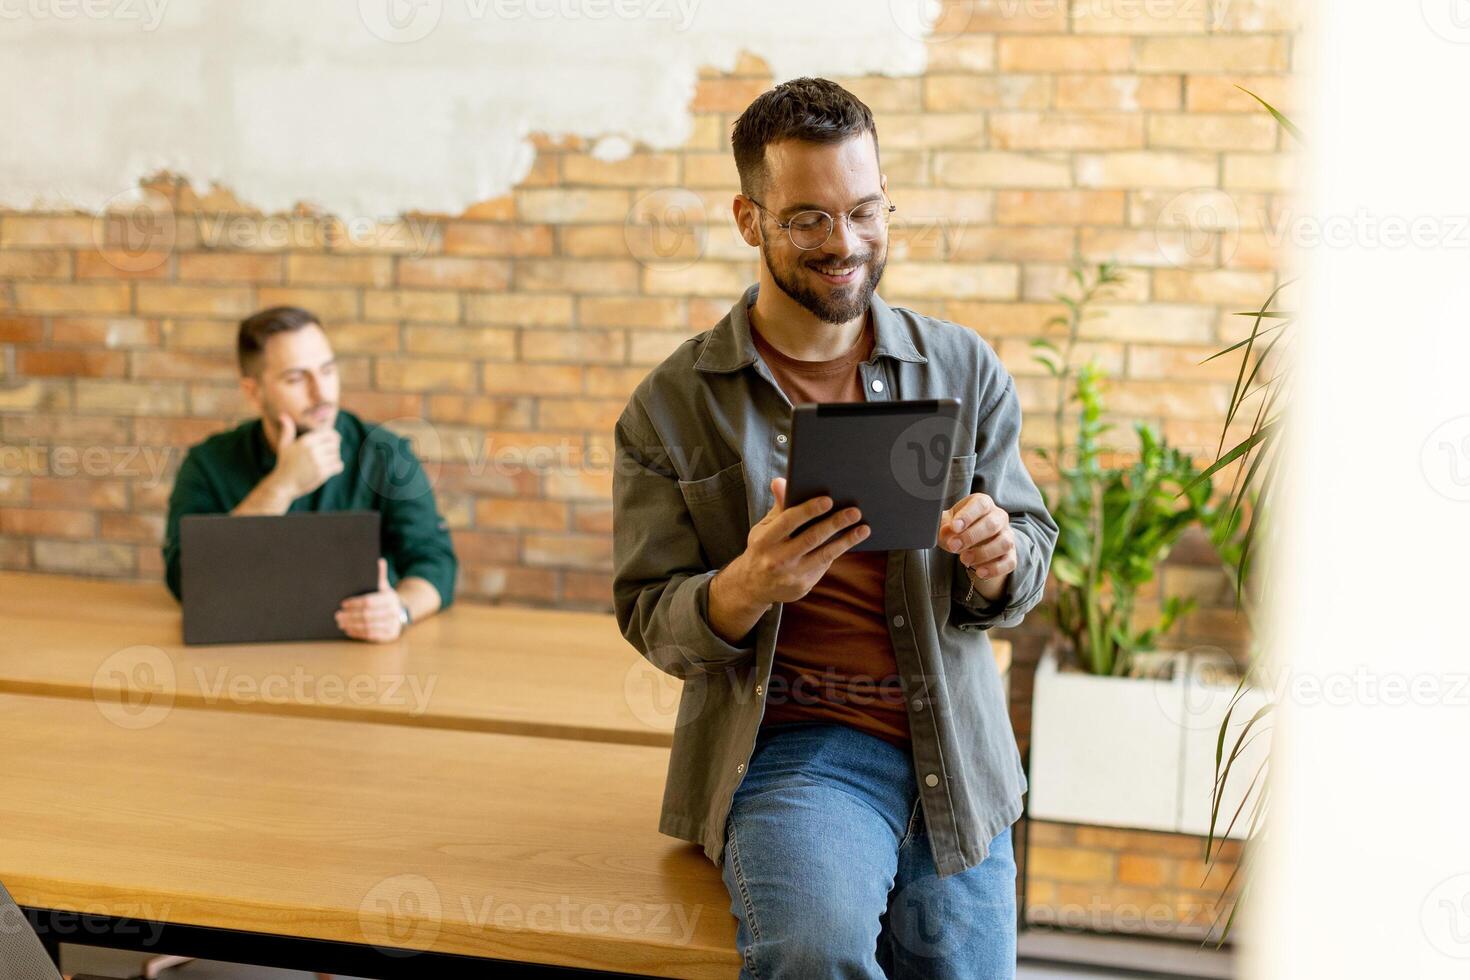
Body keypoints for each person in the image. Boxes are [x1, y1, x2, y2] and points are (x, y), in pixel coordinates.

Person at [611, 77, 1058, 978]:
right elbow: (650, 616)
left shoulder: (964, 368)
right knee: (814, 954)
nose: (845, 244)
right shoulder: (672, 404)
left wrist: (998, 561)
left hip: (955, 749)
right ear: (750, 220)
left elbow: (1030, 552)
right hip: (798, 753)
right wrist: (745, 587)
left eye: (864, 210)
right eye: (809, 219)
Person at [162, 306, 456, 642]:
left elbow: (435, 562)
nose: (322, 393)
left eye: (328, 371)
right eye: (296, 378)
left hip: (361, 656)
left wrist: (400, 610)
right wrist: (280, 487)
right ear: (253, 392)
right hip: (242, 652)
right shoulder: (208, 463)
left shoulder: (387, 455)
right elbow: (185, 579)